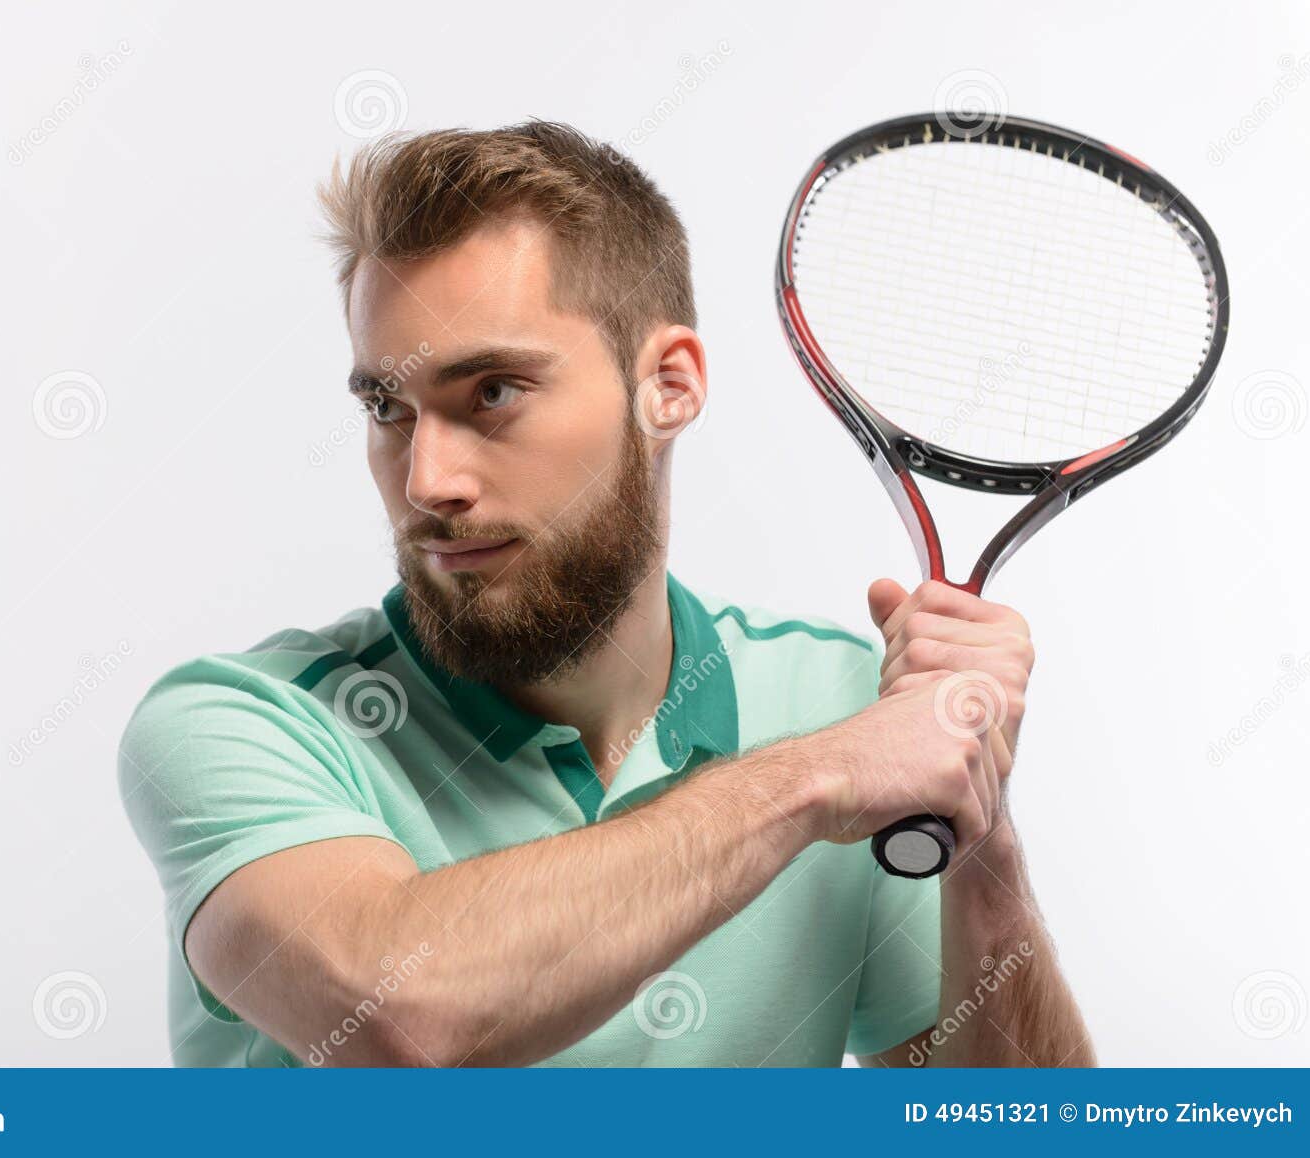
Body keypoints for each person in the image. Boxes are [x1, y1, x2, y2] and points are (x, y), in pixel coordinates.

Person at [118, 121, 1092, 1068]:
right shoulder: (240, 725)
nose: (426, 480)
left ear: (667, 384)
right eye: (387, 406)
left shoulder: (841, 701)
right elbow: (402, 1026)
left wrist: (980, 839)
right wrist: (817, 782)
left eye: (492, 391)